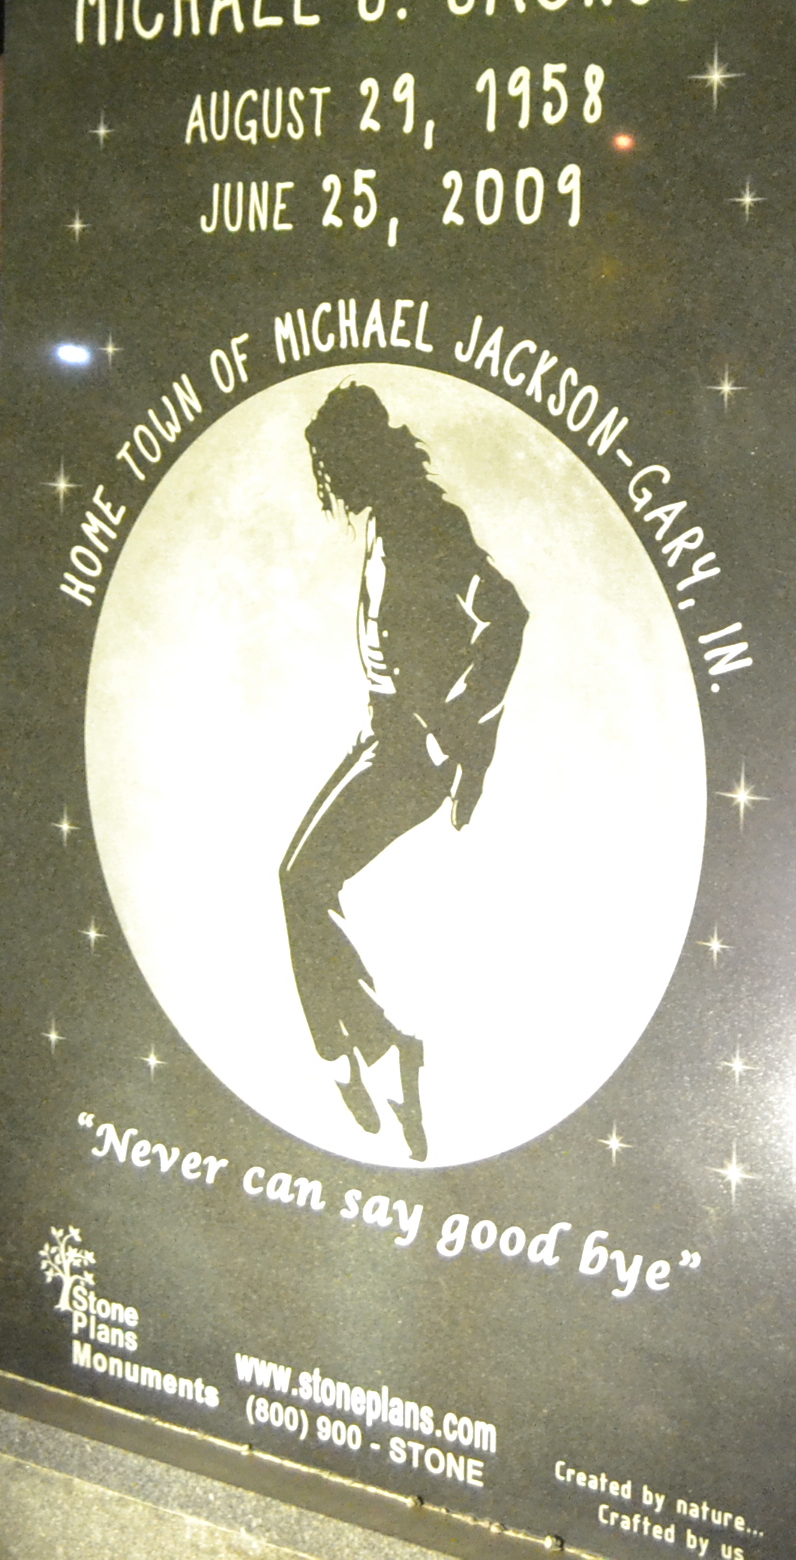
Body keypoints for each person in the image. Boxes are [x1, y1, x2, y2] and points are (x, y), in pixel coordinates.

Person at [279, 383, 525, 1160]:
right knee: (301, 882)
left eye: (332, 464)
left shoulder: (422, 518)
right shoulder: (392, 516)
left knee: (299, 882)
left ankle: (364, 1052)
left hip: (409, 752)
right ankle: (363, 1053)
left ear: (361, 456)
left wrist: (456, 726)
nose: (328, 483)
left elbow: (507, 614)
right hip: (383, 733)